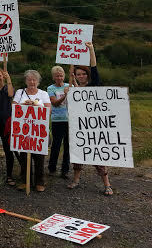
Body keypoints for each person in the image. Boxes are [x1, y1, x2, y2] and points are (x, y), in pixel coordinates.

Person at [67, 42, 113, 195]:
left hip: (94, 127)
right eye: (78, 74)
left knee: (98, 157)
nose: (81, 76)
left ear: (87, 75)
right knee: (78, 155)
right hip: (80, 127)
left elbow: (94, 68)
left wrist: (91, 49)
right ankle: (76, 180)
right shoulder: (74, 90)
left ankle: (107, 184)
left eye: (83, 74)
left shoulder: (95, 86)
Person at [13, 70, 51, 192]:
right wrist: (24, 104)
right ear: (26, 81)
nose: (32, 82)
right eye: (29, 79)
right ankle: (25, 180)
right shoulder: (20, 92)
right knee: (24, 155)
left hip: (38, 130)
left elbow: (48, 110)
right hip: (24, 130)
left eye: (34, 79)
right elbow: (13, 106)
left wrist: (36, 106)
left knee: (39, 156)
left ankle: (40, 181)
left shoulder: (43, 94)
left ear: (38, 81)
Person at [47, 66, 70, 179]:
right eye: (57, 76)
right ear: (53, 77)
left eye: (61, 75)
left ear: (64, 76)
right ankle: (52, 168)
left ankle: (65, 170)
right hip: (57, 120)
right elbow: (54, 103)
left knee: (68, 146)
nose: (59, 78)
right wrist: (65, 95)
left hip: (70, 121)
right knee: (56, 145)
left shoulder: (69, 86)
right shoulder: (50, 88)